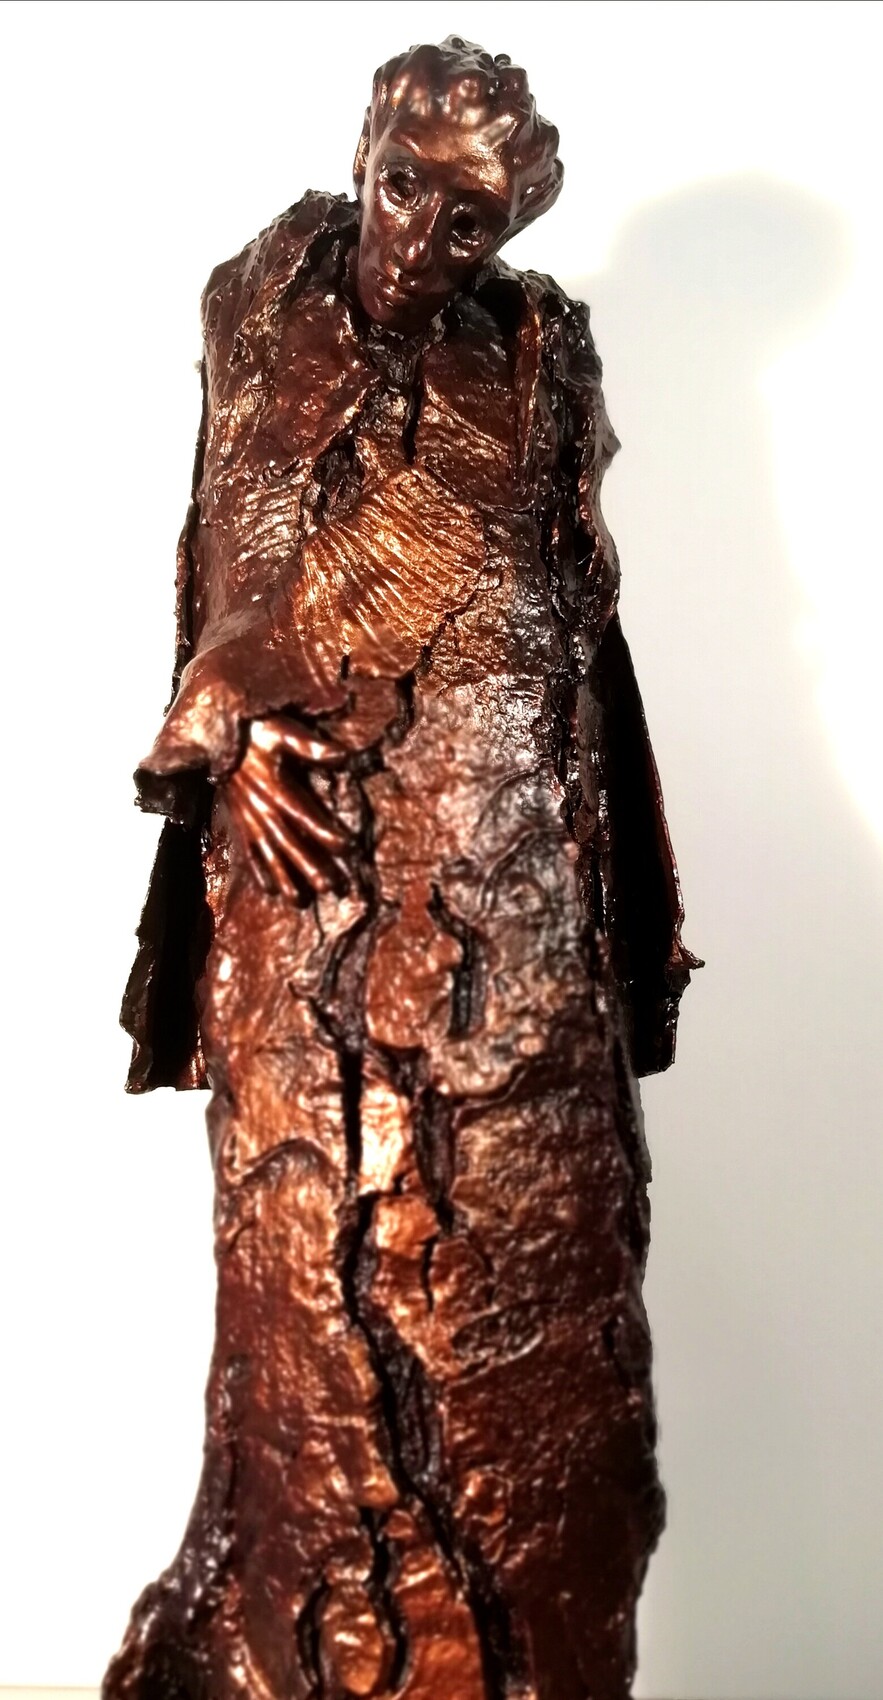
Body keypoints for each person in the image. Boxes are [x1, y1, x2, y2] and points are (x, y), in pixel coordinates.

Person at [106, 36, 695, 1700]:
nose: (425, 236)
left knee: (531, 1340)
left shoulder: (543, 358)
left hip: (516, 890)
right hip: (304, 900)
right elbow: (228, 550)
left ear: (513, 230)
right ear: (366, 153)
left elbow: (575, 621)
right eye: (406, 189)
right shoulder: (259, 304)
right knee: (318, 1312)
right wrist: (223, 719)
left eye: (472, 221)